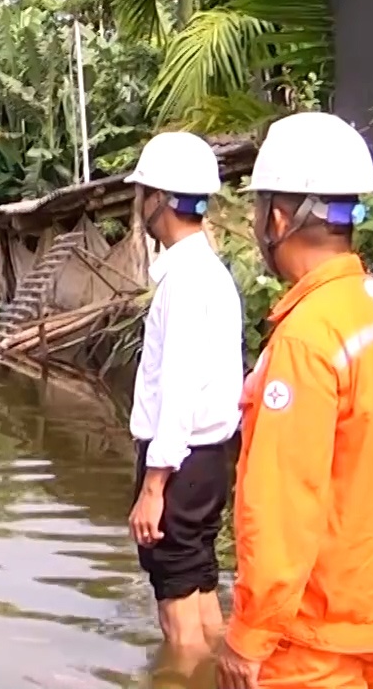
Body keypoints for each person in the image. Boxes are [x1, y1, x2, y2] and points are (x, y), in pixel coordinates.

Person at [215, 112, 373, 689]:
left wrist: (250, 634)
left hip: (314, 630)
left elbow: (284, 502)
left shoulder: (309, 337)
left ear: (279, 219)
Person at [123, 131, 245, 663]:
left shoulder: (183, 282)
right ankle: (220, 671)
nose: (139, 205)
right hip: (210, 459)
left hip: (179, 460)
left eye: (143, 193)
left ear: (159, 200)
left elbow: (178, 388)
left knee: (174, 597)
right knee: (197, 577)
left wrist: (154, 485)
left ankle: (185, 677)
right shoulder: (213, 274)